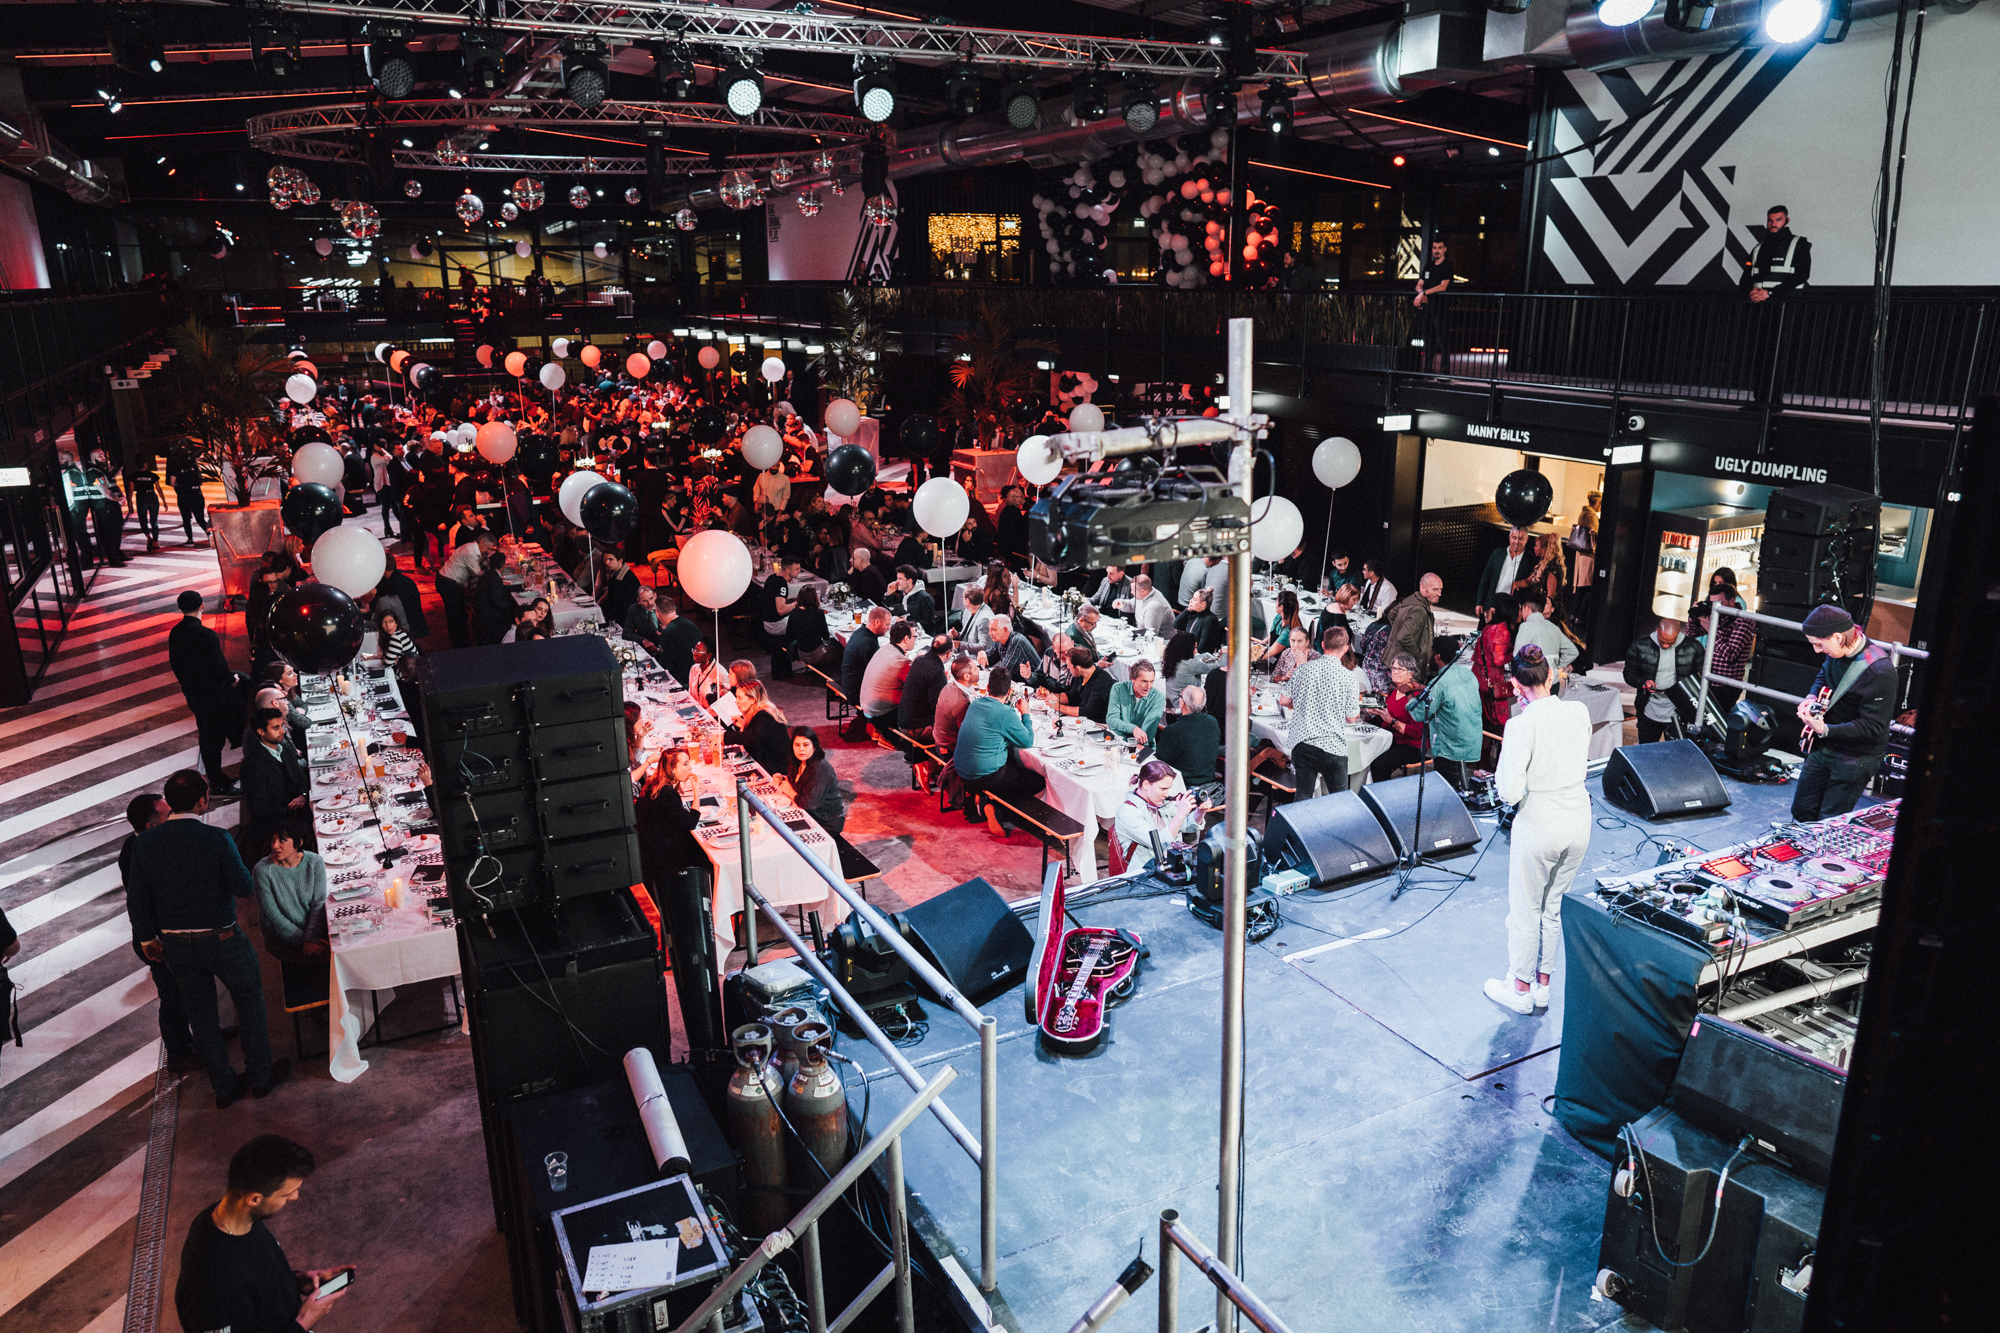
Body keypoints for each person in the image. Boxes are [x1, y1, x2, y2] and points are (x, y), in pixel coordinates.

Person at [127, 770, 288, 1106]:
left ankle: (224, 1087)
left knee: (201, 1016)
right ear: (203, 800)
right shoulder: (216, 838)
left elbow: (137, 898)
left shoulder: (144, 843)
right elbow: (243, 886)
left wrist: (146, 938)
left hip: (175, 944)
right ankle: (260, 1077)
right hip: (222, 938)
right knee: (249, 1002)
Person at [1484, 645, 1593, 1016]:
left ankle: (1519, 988)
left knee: (1526, 910)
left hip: (1540, 824)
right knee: (1553, 906)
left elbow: (1509, 792)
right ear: (1551, 676)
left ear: (1516, 686)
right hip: (1578, 820)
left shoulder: (1520, 725)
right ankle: (1542, 986)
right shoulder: (1578, 711)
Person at [175, 1135, 349, 1333]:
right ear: (255, 1199)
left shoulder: (238, 1218)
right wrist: (303, 1322)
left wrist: (297, 1281)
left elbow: (255, 1279)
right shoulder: (213, 1281)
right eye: (287, 1194)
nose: (295, 1197)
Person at [1790, 604, 1897, 822]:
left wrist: (1825, 729)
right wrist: (1811, 698)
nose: (1817, 651)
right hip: (1824, 745)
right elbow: (1824, 676)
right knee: (1802, 811)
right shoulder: (1835, 652)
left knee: (1829, 820)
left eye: (1819, 644)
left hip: (1855, 756)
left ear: (1838, 637)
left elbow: (1873, 726)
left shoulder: (1879, 671)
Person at [120, 793, 198, 1073]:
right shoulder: (136, 853)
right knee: (173, 995)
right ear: (151, 826)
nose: (174, 817)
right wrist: (149, 938)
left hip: (173, 933)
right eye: (168, 814)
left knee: (189, 989)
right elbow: (140, 902)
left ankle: (203, 1036)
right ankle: (179, 1053)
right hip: (159, 940)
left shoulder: (152, 842)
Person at [953, 667, 1044, 836]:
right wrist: (1026, 714)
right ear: (1009, 691)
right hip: (984, 775)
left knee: (1012, 763)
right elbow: (1027, 741)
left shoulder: (976, 703)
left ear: (988, 688)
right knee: (1037, 781)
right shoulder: (1005, 714)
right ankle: (997, 807)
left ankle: (984, 797)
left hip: (962, 771)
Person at [169, 590, 241, 795]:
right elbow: (219, 667)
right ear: (202, 605)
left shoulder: (176, 633)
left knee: (208, 736)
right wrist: (231, 679)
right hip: (214, 695)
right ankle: (217, 782)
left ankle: (216, 777)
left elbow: (176, 664)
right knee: (214, 740)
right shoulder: (206, 634)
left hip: (194, 694)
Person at [1281, 626, 1364, 799]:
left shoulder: (1303, 669)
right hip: (1332, 746)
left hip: (1303, 742)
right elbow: (1351, 717)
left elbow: (1284, 700)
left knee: (1303, 796)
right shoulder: (1349, 677)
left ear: (1323, 645)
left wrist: (1305, 702)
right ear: (1346, 648)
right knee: (1339, 799)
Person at [1404, 636, 1483, 792]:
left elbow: (1419, 713)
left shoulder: (1439, 683)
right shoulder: (1468, 675)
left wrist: (1408, 694)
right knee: (1464, 792)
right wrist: (1424, 688)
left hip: (1450, 750)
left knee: (1447, 795)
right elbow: (1450, 694)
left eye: (1431, 652)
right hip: (1472, 745)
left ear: (1438, 656)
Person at [240, 706, 310, 858]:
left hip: (299, 812)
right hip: (277, 827)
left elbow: (301, 776)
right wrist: (293, 809)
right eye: (276, 728)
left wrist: (303, 795)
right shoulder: (253, 765)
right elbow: (260, 809)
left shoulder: (285, 748)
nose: (282, 731)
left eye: (282, 726)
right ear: (261, 732)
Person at [1623, 615, 1704, 744]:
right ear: (1657, 631)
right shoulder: (1641, 645)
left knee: (1675, 750)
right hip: (1648, 708)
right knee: (1646, 748)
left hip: (1679, 710)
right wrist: (1643, 682)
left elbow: (1702, 678)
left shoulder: (1693, 647)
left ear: (1679, 634)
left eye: (1671, 643)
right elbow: (1629, 674)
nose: (1666, 645)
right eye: (1662, 641)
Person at [253, 822, 328, 962]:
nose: (275, 846)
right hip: (282, 938)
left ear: (298, 843)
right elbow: (273, 915)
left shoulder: (315, 862)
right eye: (273, 840)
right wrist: (305, 941)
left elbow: (319, 903)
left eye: (282, 840)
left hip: (312, 931)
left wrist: (311, 937)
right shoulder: (262, 870)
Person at [1113, 759, 1199, 873]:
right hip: (1145, 874)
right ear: (1146, 784)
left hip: (1170, 868)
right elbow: (1160, 843)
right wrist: (1180, 814)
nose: (1166, 794)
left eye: (1168, 789)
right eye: (1163, 789)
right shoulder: (1127, 812)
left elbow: (1187, 825)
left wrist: (1200, 812)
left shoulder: (1161, 803)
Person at [635, 747, 703, 884]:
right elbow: (691, 823)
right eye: (685, 764)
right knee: (701, 851)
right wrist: (697, 791)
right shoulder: (667, 793)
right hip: (662, 856)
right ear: (672, 769)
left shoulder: (654, 783)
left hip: (648, 849)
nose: (690, 768)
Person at [1365, 654, 1430, 782]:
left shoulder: (1415, 696)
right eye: (1393, 668)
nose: (1395, 672)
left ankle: (1382, 793)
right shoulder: (1393, 690)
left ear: (1411, 673)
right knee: (1366, 754)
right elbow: (1387, 719)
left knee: (1379, 764)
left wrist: (1392, 721)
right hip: (1391, 740)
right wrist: (1377, 714)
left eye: (1400, 669)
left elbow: (1418, 732)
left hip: (1411, 746)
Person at [1694, 571, 1753, 708]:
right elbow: (1691, 633)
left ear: (1732, 601)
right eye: (1712, 604)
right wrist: (1695, 617)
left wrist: (1711, 630)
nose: (1715, 607)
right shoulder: (1718, 613)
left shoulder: (1743, 620)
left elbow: (1730, 655)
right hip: (1707, 677)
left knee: (1717, 718)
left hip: (1725, 684)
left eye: (1719, 603)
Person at [1473, 592, 1518, 766]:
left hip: (1480, 680)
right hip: (1493, 683)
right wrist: (1514, 653)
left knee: (1486, 724)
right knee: (1499, 726)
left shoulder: (1488, 627)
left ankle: (1483, 762)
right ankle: (1497, 764)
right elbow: (1499, 659)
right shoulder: (1501, 630)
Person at [778, 726, 846, 836]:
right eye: (797, 745)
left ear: (814, 746)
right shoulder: (798, 762)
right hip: (809, 814)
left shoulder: (820, 769)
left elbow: (809, 804)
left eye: (806, 745)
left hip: (825, 822)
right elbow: (801, 783)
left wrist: (788, 790)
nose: (801, 749)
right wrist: (785, 779)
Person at [859, 618, 917, 742]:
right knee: (920, 703)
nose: (915, 640)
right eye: (914, 636)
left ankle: (881, 732)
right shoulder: (901, 661)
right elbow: (918, 685)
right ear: (906, 639)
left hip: (867, 709)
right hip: (880, 715)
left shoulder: (884, 649)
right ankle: (893, 739)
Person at [435, 529, 495, 649]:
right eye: (488, 548)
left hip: (449, 582)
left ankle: (459, 641)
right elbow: (479, 572)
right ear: (482, 542)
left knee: (458, 614)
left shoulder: (472, 547)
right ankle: (460, 644)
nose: (488, 552)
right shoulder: (470, 552)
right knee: (457, 615)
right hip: (448, 583)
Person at [1743, 204, 1811, 303]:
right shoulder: (1758, 248)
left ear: (1787, 220)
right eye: (1770, 220)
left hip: (1786, 304)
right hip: (1759, 305)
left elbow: (1802, 275)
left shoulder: (1799, 244)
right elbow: (1746, 278)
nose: (1773, 224)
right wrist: (1750, 294)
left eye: (1778, 220)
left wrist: (1771, 293)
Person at [1155, 685, 1221, 785]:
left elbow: (1160, 763)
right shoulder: (1212, 722)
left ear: (1182, 703)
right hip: (1208, 783)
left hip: (1181, 785)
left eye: (1180, 696)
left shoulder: (1172, 731)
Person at [725, 678, 792, 776]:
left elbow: (753, 737)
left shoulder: (764, 715)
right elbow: (759, 733)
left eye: (740, 698)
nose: (736, 701)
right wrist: (744, 724)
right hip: (769, 764)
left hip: (777, 770)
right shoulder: (758, 713)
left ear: (752, 700)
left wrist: (725, 737)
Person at [1512, 587, 1577, 679]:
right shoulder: (1553, 627)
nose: (1522, 612)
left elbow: (1517, 656)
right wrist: (1555, 665)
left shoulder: (1526, 626)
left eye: (1522, 608)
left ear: (1526, 607)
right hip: (1553, 680)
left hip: (1535, 680)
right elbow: (1573, 652)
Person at [1386, 574, 1442, 679]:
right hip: (1405, 668)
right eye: (1435, 589)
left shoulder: (1412, 599)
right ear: (1423, 589)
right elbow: (1403, 636)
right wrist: (1417, 655)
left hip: (1398, 663)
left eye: (1440, 589)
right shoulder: (1419, 610)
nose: (1439, 593)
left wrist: (1403, 630)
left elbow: (1392, 614)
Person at [1476, 527, 1530, 625]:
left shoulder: (1530, 560)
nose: (1517, 542)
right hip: (1491, 605)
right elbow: (1485, 579)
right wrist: (1479, 602)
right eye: (1514, 537)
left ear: (1527, 539)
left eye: (1521, 538)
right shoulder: (1498, 553)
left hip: (1511, 611)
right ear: (1509, 537)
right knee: (1484, 632)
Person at [759, 557, 801, 679]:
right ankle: (805, 654)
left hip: (766, 622)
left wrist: (791, 601)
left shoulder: (772, 578)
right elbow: (781, 610)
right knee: (806, 621)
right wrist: (796, 603)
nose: (799, 571)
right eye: (797, 569)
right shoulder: (782, 584)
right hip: (776, 625)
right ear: (788, 570)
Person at [840, 605, 890, 708]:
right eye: (887, 624)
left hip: (849, 683)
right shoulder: (868, 643)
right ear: (877, 622)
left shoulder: (860, 631)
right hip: (856, 693)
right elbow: (878, 673)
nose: (888, 628)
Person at [1106, 659, 1164, 744]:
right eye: (1144, 681)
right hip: (1118, 741)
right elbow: (1111, 720)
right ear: (1133, 679)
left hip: (1142, 745)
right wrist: (1133, 729)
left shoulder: (1158, 698)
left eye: (1151, 681)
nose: (1148, 686)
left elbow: (1147, 733)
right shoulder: (1118, 688)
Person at [654, 593, 704, 688]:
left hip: (681, 680)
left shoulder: (668, 632)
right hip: (698, 676)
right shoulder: (691, 624)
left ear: (658, 613)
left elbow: (666, 664)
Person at [472, 551, 518, 646]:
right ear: (503, 565)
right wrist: (514, 608)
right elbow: (497, 601)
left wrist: (521, 586)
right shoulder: (494, 578)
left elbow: (500, 589)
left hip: (483, 612)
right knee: (516, 617)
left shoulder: (489, 574)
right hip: (490, 618)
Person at [1174, 587, 1223, 655]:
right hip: (1188, 651)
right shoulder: (1194, 614)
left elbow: (1203, 648)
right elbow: (1176, 624)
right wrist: (1187, 610)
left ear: (1203, 604)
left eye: (1194, 599)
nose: (1190, 601)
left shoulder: (1210, 620)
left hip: (1199, 656)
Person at [596, 551, 642, 625]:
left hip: (624, 620)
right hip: (617, 616)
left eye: (611, 559)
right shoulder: (615, 575)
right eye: (606, 559)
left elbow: (623, 605)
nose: (607, 562)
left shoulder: (628, 579)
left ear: (620, 560)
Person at [623, 581, 667, 656]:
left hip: (666, 650)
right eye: (645, 600)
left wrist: (667, 631)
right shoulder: (633, 610)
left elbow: (678, 631)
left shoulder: (667, 606)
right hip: (647, 652)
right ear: (639, 601)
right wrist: (643, 640)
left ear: (655, 595)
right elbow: (626, 633)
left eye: (651, 598)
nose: (650, 603)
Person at [893, 565, 939, 635]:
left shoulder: (924, 598)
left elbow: (930, 624)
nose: (896, 582)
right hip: (906, 633)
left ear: (909, 581)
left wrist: (907, 620)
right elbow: (892, 611)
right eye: (897, 578)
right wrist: (888, 594)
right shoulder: (903, 594)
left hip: (921, 636)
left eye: (900, 579)